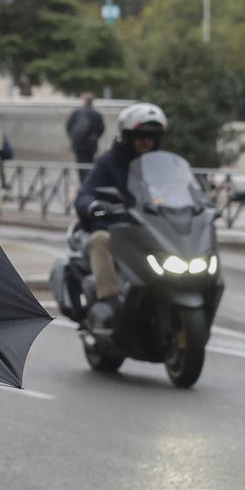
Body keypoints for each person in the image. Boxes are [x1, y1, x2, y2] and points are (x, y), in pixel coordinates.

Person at [74, 101, 167, 330]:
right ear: (127, 136)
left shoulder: (160, 165)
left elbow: (179, 189)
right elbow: (84, 194)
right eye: (141, 136)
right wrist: (94, 205)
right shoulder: (108, 162)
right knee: (99, 240)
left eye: (152, 136)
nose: (147, 141)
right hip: (116, 229)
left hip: (148, 229)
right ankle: (109, 300)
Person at [66, 93, 105, 182]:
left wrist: (74, 138)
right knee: (89, 164)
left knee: (81, 165)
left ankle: (83, 182)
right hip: (91, 144)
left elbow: (69, 127)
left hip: (79, 144)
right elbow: (101, 129)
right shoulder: (96, 114)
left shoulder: (76, 113)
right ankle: (88, 181)